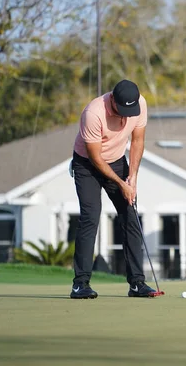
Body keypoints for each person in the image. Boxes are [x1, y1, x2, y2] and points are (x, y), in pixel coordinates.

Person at [69, 79, 156, 299]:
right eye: (123, 110)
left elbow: (137, 141)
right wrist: (120, 183)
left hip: (117, 160)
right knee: (90, 217)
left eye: (131, 110)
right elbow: (95, 158)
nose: (127, 116)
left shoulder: (140, 104)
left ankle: (137, 283)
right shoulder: (93, 113)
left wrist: (132, 177)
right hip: (87, 164)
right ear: (113, 101)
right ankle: (80, 284)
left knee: (130, 215)